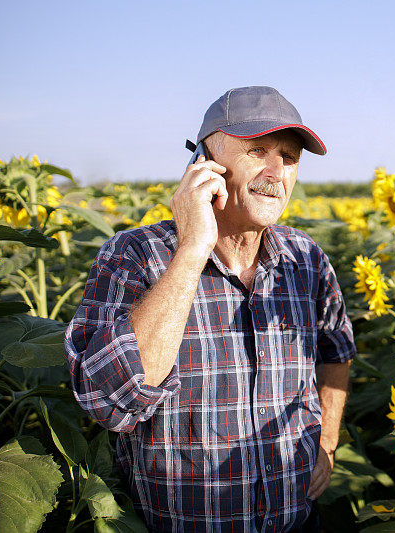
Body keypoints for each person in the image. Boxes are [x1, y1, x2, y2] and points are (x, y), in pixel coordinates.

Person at [65, 86, 355, 532]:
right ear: (204, 162)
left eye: (290, 157)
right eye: (257, 150)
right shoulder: (136, 256)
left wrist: (328, 442)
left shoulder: (306, 259)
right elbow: (110, 404)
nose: (277, 171)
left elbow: (337, 350)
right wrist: (193, 249)